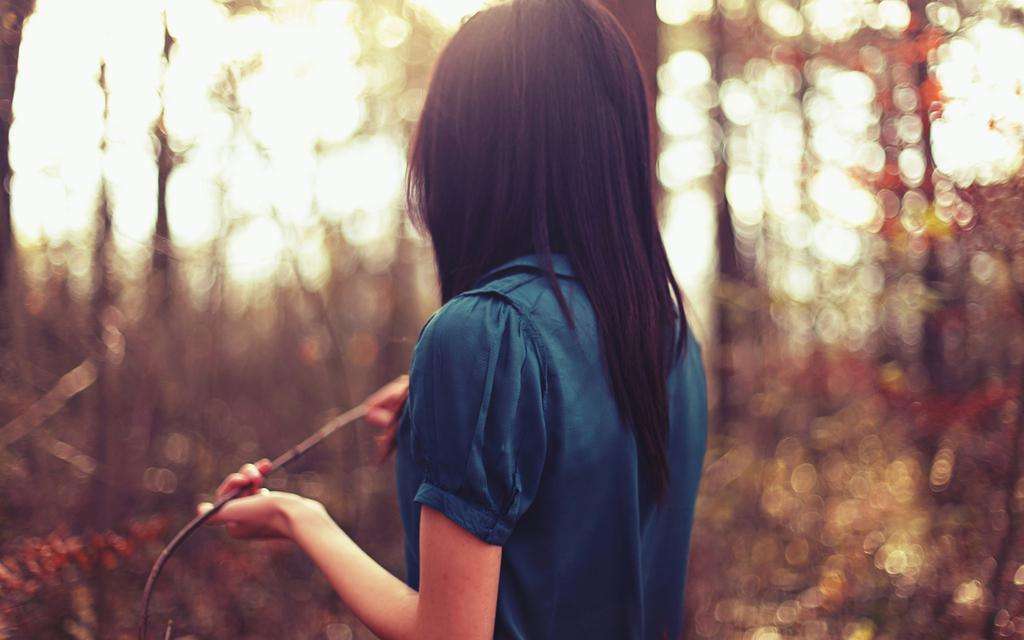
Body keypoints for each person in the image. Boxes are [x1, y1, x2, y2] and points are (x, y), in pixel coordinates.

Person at [199, 1, 708, 637]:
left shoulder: (484, 335)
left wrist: (298, 519)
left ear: (471, 151)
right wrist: (452, 401)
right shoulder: (667, 332)